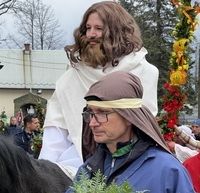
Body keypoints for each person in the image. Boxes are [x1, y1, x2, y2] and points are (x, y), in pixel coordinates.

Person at [0, 71, 200, 193]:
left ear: (128, 116)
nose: (92, 122)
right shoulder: (91, 169)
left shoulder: (167, 171)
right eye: (90, 113)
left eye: (102, 113)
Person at [38, 1, 158, 173]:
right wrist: (45, 173)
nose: (91, 34)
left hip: (129, 165)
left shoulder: (142, 71)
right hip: (73, 166)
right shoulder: (72, 75)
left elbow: (143, 128)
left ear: (116, 30)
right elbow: (56, 131)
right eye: (88, 28)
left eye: (99, 28)